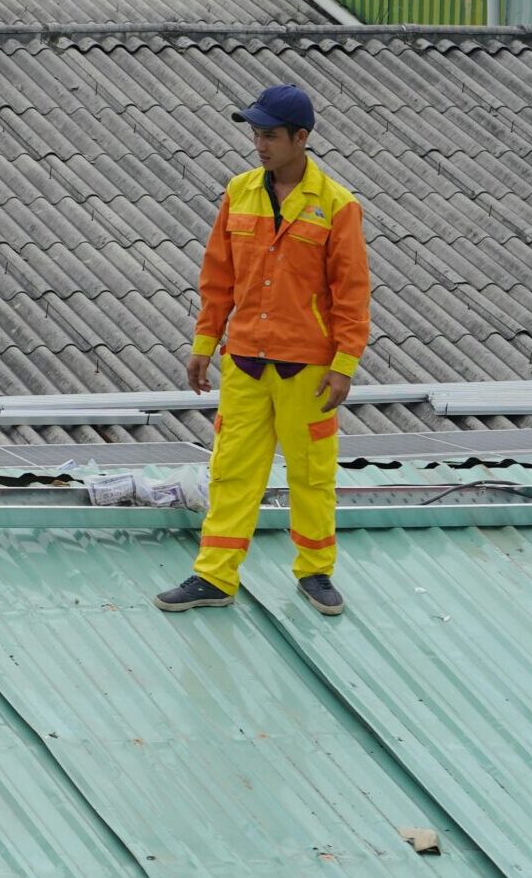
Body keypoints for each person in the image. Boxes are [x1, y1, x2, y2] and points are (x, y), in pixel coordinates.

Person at [155, 84, 371, 618]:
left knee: (311, 475)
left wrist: (344, 365)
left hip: (308, 370)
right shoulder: (239, 192)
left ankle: (315, 572)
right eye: (255, 133)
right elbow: (218, 278)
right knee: (231, 472)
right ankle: (214, 577)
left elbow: (351, 293)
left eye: (270, 135)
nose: (259, 144)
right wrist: (204, 343)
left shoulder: (337, 207)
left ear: (302, 138)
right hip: (246, 360)